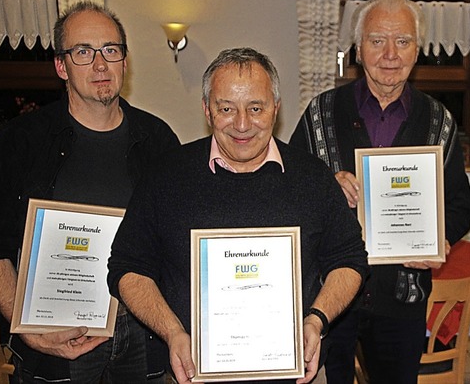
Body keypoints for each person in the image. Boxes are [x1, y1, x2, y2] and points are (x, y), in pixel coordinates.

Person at [107, 47, 369, 384]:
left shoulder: (314, 178)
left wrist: (316, 320)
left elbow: (350, 259)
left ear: (275, 108)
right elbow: (127, 266)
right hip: (193, 375)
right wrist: (172, 332)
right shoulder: (166, 177)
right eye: (226, 108)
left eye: (255, 108)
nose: (242, 124)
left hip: (293, 375)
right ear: (207, 110)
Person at [289, 0, 470, 384]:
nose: (390, 54)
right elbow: (285, 190)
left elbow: (461, 204)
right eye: (377, 41)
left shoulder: (439, 120)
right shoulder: (320, 112)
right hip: (327, 300)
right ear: (358, 49)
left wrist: (439, 239)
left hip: (402, 300)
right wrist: (325, 185)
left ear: (418, 49)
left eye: (403, 41)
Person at [0, 2, 180, 383]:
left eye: (111, 50)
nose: (100, 64)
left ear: (124, 62)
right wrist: (28, 329)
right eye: (83, 52)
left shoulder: (158, 139)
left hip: (142, 334)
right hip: (57, 336)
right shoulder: (19, 142)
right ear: (61, 66)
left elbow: (176, 240)